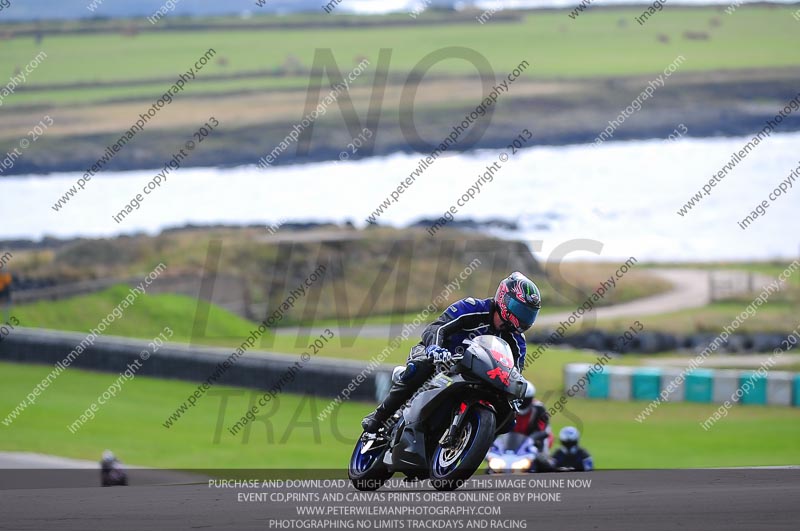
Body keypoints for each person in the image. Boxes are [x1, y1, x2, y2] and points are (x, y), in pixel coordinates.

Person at [361, 271, 542, 434]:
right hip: (439, 358)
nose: (523, 318)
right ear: (504, 299)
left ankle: (465, 436)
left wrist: (515, 395)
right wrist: (435, 348)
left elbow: (515, 372)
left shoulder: (518, 342)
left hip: (477, 375)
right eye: (520, 310)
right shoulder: (472, 307)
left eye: (529, 314)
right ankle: (379, 417)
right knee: (420, 367)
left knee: (509, 419)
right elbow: (436, 328)